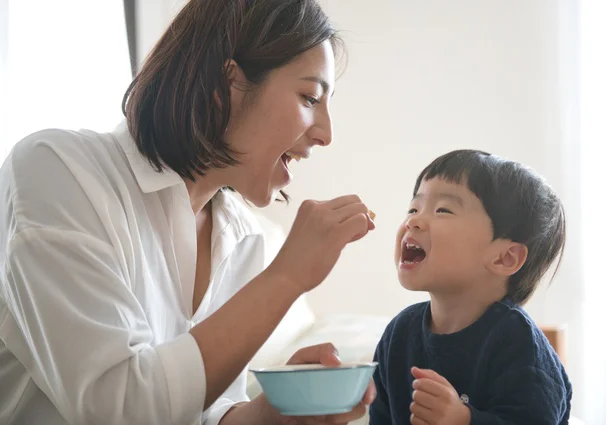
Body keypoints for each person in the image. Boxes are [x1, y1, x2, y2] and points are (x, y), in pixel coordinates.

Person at [0, 1, 376, 424]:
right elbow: (117, 408)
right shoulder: (58, 170)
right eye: (310, 97)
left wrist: (272, 413)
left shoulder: (241, 238)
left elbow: (203, 414)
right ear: (229, 83)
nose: (326, 134)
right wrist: (287, 276)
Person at [369, 150, 572, 425]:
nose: (412, 221)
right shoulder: (400, 333)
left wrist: (464, 420)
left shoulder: (519, 344)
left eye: (443, 210)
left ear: (504, 257)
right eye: (413, 208)